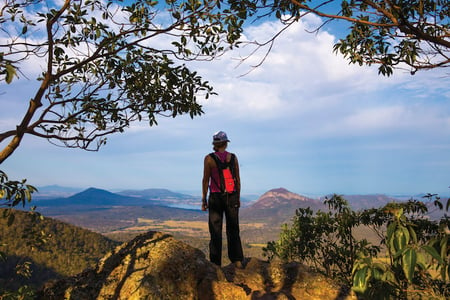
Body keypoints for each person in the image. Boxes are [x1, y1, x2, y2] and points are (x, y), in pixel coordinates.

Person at [202, 131, 244, 268]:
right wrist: (237, 197)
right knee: (233, 229)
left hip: (215, 197)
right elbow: (237, 179)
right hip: (231, 196)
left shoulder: (209, 159)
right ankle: (237, 260)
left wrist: (204, 199)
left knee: (215, 231)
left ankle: (215, 264)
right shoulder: (233, 158)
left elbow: (206, 180)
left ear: (214, 144)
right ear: (225, 143)